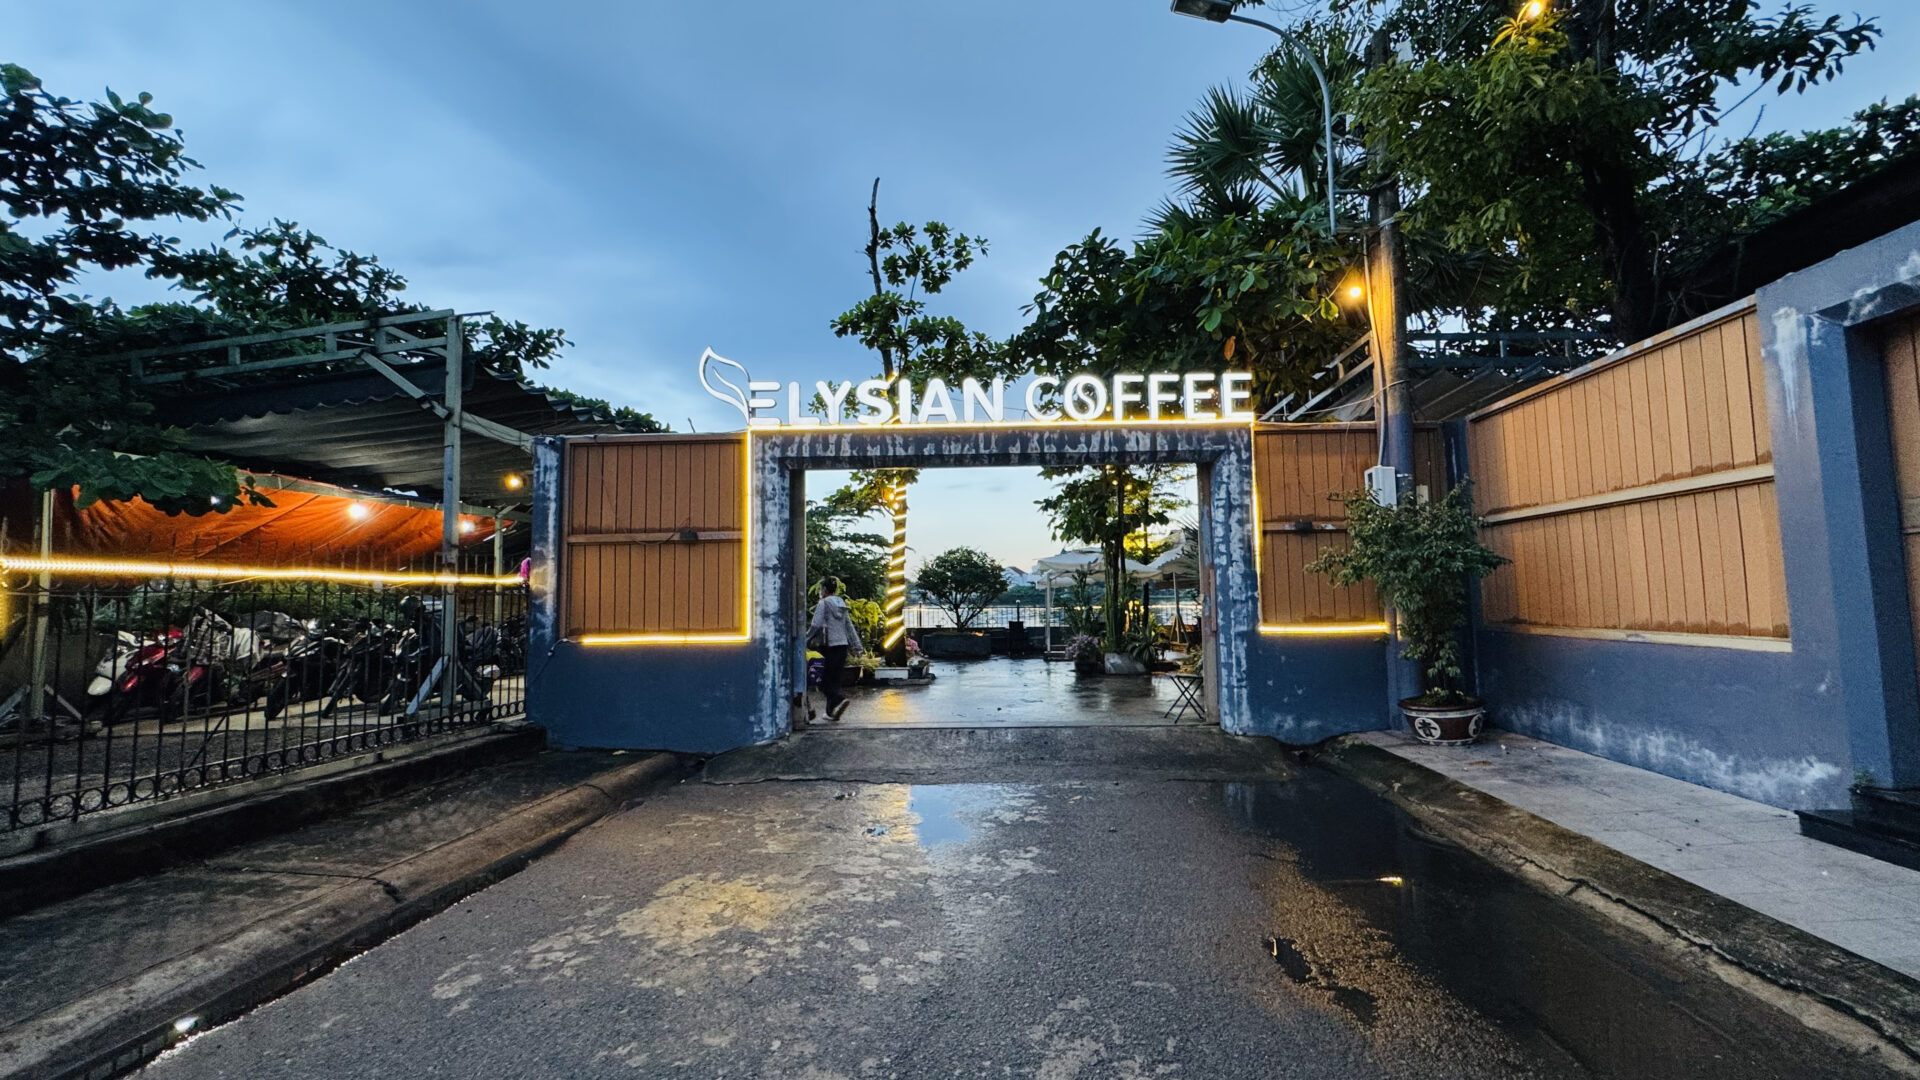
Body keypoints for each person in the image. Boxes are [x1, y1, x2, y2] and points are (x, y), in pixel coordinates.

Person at [808, 576, 864, 722]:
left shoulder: (823, 603)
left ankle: (839, 699)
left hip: (829, 646)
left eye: (821, 589)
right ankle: (831, 712)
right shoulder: (841, 604)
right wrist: (857, 646)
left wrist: (806, 639)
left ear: (824, 589)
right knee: (835, 679)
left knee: (824, 680)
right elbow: (849, 626)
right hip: (842, 646)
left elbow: (816, 624)